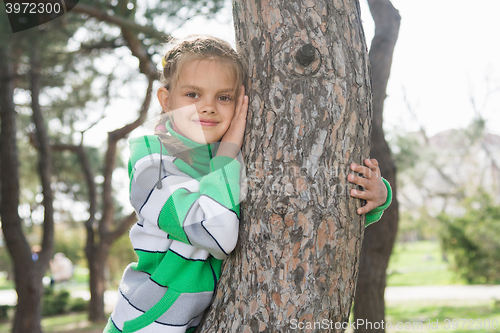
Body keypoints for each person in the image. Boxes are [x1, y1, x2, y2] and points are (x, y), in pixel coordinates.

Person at [104, 34, 391, 333]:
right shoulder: (151, 162)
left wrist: (374, 196)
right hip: (147, 323)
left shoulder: (236, 159)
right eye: (193, 94)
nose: (208, 107)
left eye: (224, 97)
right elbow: (215, 232)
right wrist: (229, 151)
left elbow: (305, 210)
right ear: (166, 100)